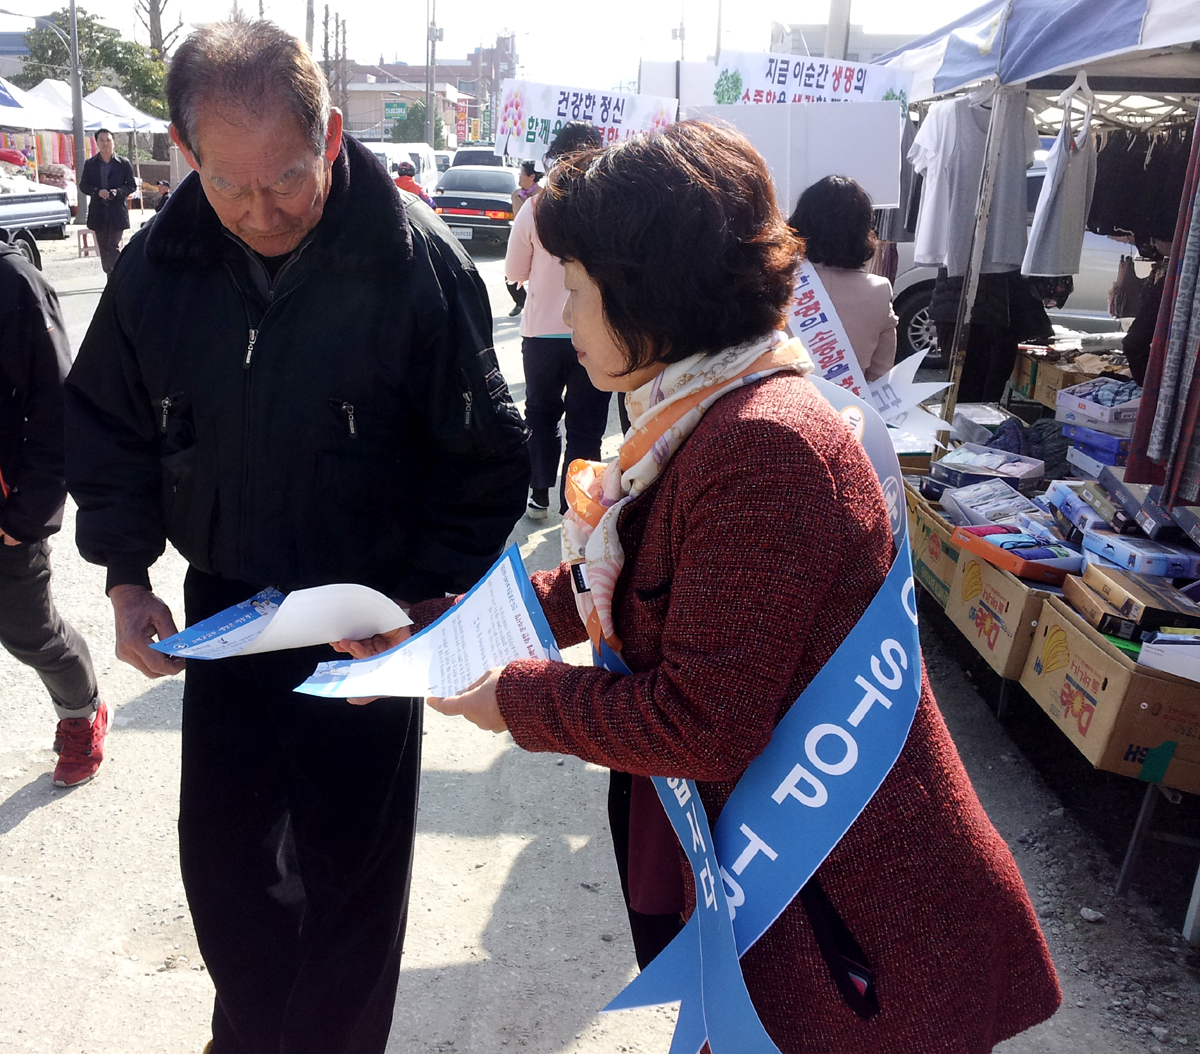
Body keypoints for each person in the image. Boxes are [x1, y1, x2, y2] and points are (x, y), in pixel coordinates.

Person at [423, 122, 1061, 1052]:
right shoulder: (700, 409)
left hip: (854, 917)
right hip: (781, 881)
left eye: (580, 287)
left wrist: (515, 699)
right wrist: (441, 630)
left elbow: (702, 722)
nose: (565, 311)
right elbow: (626, 576)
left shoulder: (764, 445)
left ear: (650, 296)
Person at [64, 20, 529, 1054]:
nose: (260, 211)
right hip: (227, 607)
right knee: (224, 865)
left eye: (285, 180)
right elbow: (105, 423)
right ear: (183, 154)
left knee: (352, 880)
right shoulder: (162, 262)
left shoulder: (415, 263)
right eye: (230, 185)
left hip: (369, 618)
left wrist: (425, 601)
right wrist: (127, 576)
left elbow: (487, 457)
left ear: (330, 141)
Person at [0, 229, 106, 788]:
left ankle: (81, 714)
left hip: (6, 517)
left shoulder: (14, 282)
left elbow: (58, 407)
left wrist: (28, 516)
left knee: (31, 634)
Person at [505, 121, 611, 520]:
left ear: (555, 156)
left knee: (541, 413)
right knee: (586, 425)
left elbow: (514, 271)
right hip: (597, 333)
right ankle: (576, 511)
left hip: (541, 335)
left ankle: (539, 493)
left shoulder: (535, 207)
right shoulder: (611, 207)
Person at [788, 175, 897, 381]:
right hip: (850, 401)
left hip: (783, 399)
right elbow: (880, 376)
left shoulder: (778, 284)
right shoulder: (879, 291)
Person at [77, 128, 137, 274]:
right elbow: (84, 186)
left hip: (117, 212)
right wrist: (97, 191)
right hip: (99, 212)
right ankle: (109, 274)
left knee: (114, 246)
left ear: (113, 142)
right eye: (101, 140)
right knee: (103, 248)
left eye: (108, 140)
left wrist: (117, 192)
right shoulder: (90, 164)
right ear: (97, 143)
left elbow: (131, 185)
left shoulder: (123, 163)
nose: (105, 144)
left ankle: (115, 278)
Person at [504, 161, 541, 318]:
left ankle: (536, 306)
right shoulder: (516, 195)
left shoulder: (542, 194)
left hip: (538, 241)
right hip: (519, 239)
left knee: (538, 275)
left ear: (532, 176)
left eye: (522, 174)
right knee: (510, 275)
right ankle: (521, 301)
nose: (519, 177)